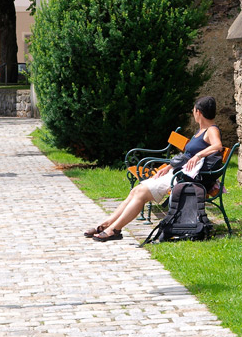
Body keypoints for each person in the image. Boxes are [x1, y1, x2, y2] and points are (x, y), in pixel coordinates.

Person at [86, 96, 223, 242]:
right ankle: (107, 224)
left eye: (194, 110)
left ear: (199, 112)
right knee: (136, 191)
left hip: (186, 177)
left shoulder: (211, 130)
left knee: (141, 193)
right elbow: (186, 156)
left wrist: (198, 155)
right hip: (178, 171)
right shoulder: (200, 131)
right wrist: (170, 166)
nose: (193, 112)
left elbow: (218, 146)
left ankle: (115, 229)